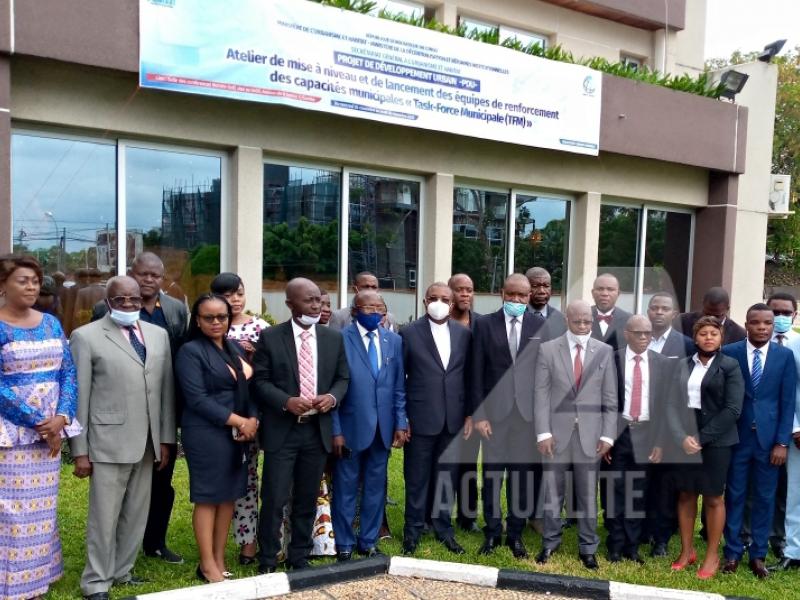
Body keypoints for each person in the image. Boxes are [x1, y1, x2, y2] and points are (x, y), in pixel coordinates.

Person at [70, 276, 175, 600]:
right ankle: (96, 582)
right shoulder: (85, 337)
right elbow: (80, 397)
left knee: (136, 513)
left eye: (134, 299)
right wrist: (79, 451)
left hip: (147, 442)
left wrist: (166, 439)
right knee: (104, 519)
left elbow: (165, 392)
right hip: (106, 442)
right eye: (120, 300)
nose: (128, 304)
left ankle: (122, 571)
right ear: (108, 300)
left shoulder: (158, 335)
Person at [91, 252, 188, 565]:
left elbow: (177, 362)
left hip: (160, 411)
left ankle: (154, 542)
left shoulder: (174, 310)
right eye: (143, 274)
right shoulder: (108, 307)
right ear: (131, 273)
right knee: (118, 490)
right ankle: (115, 550)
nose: (149, 281)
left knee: (161, 483)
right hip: (121, 415)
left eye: (155, 276)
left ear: (163, 279)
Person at [251, 278, 349, 573]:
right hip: (283, 430)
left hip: (316, 431)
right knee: (274, 497)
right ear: (290, 303)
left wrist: (332, 397)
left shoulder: (333, 338)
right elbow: (260, 381)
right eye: (309, 301)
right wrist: (286, 401)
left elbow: (343, 378)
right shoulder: (270, 337)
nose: (316, 305)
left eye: (318, 299)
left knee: (307, 497)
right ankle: (268, 558)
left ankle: (299, 556)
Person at [0, 255, 80, 600]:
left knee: (41, 511)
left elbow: (68, 373)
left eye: (35, 280)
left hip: (49, 436)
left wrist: (61, 418)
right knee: (12, 512)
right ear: (3, 285)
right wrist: (36, 420)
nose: (32, 286)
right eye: (23, 280)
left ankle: (35, 583)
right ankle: (11, 588)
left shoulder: (50, 322)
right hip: (12, 436)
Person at [175, 293, 258, 583]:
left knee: (229, 497)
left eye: (221, 317)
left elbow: (250, 387)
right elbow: (197, 399)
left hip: (238, 433)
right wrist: (239, 421)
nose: (216, 322)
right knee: (209, 498)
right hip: (206, 432)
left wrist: (253, 420)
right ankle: (207, 563)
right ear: (197, 320)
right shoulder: (190, 352)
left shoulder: (234, 347)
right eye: (208, 317)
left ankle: (220, 558)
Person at [534, 300, 617, 569]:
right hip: (556, 435)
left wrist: (607, 436)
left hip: (590, 437)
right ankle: (549, 542)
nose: (583, 326)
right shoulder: (548, 350)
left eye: (587, 322)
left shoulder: (604, 351)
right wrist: (543, 432)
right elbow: (541, 394)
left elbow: (610, 398)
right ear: (567, 320)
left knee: (587, 494)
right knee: (552, 492)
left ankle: (588, 547)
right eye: (577, 321)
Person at [720, 304, 796, 579]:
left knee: (765, 497)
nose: (762, 327)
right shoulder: (730, 352)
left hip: (769, 442)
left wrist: (782, 443)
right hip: (737, 438)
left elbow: (787, 403)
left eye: (767, 323)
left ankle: (758, 555)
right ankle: (732, 552)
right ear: (747, 324)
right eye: (756, 323)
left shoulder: (784, 357)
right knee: (735, 495)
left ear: (773, 325)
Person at [331, 290, 407, 560]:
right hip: (350, 428)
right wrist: (336, 430)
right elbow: (333, 389)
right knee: (346, 487)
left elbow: (398, 386)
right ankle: (344, 543)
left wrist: (401, 422)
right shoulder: (340, 339)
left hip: (383, 429)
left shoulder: (394, 341)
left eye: (380, 309)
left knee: (377, 488)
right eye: (368, 308)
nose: (375, 313)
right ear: (354, 311)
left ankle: (369, 540)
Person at [666, 316, 744, 580]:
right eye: (703, 333)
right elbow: (671, 406)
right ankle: (687, 551)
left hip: (717, 442)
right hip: (685, 442)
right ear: (695, 337)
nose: (708, 337)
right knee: (686, 495)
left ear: (721, 338)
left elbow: (733, 409)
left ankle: (712, 555)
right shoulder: (681, 366)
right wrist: (681, 437)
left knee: (713, 498)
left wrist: (701, 438)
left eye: (714, 333)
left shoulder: (730, 366)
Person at [472, 274, 540, 559]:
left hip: (526, 418)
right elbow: (475, 373)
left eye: (522, 296)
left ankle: (515, 534)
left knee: (520, 478)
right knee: (492, 477)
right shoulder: (485, 325)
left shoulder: (541, 326)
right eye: (511, 295)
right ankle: (491, 532)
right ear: (502, 293)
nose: (516, 300)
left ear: (529, 297)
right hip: (494, 417)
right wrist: (480, 415)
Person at [400, 283, 470, 555]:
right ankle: (413, 530)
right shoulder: (408, 333)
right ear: (424, 300)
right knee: (416, 477)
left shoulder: (464, 334)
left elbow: (467, 375)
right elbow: (399, 379)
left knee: (447, 477)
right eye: (434, 298)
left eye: (445, 299)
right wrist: (403, 417)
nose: (439, 302)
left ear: (452, 304)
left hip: (453, 418)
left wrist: (468, 414)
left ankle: (443, 528)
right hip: (420, 417)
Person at [604, 315, 678, 564]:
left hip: (647, 434)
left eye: (648, 333)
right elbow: (602, 403)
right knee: (615, 491)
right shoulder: (612, 360)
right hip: (619, 434)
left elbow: (666, 407)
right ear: (626, 334)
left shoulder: (662, 364)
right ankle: (614, 544)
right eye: (639, 333)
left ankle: (632, 546)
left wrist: (659, 442)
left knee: (638, 492)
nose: (644, 337)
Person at [210, 272, 271, 565]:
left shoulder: (261, 328)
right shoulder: (211, 327)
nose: (233, 300)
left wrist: (255, 354)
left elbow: (275, 368)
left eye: (238, 293)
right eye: (226, 294)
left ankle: (248, 544)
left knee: (249, 478)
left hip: (253, 414)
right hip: (218, 415)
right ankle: (215, 542)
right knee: (223, 479)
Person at [447, 273, 481, 532]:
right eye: (459, 290)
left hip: (471, 405)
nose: (465, 294)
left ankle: (468, 517)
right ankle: (438, 514)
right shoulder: (439, 323)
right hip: (443, 406)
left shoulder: (481, 324)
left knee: (468, 463)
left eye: (469, 290)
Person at [772, 332, 800, 571]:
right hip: (799, 435)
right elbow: (787, 391)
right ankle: (793, 551)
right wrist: (795, 428)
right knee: (795, 495)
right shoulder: (793, 346)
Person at [675, 287, 746, 346]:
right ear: (703, 304)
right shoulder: (682, 321)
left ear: (727, 309)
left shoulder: (739, 334)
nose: (711, 319)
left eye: (717, 316)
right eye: (707, 314)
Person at [328, 272, 398, 331]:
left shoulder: (390, 319)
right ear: (355, 289)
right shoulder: (339, 317)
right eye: (366, 286)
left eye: (374, 287)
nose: (370, 290)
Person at [590, 273, 631, 351]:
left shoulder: (629, 320)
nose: (605, 294)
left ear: (618, 294)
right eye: (600, 289)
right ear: (592, 293)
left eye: (610, 289)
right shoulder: (581, 317)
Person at [525, 267, 567, 340]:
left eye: (546, 286)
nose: (542, 291)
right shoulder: (517, 317)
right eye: (535, 286)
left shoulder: (560, 319)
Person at [647, 292, 694, 358]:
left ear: (674, 314)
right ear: (648, 312)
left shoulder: (686, 344)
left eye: (665, 309)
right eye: (654, 308)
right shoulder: (634, 340)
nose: (659, 312)